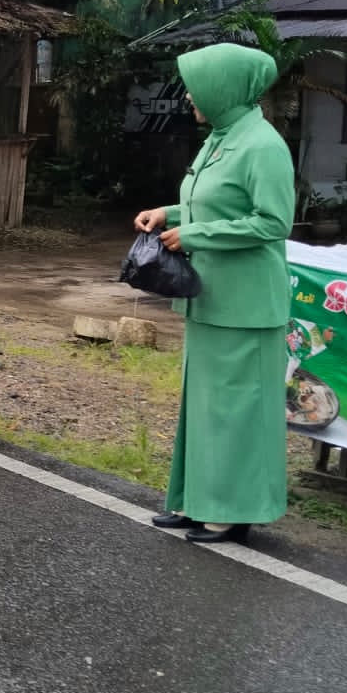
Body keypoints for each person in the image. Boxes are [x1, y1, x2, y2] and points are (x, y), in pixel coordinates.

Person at [134, 42, 295, 544]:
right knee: (205, 405)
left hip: (247, 303)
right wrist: (170, 213)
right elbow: (212, 204)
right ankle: (199, 499)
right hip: (211, 296)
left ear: (224, 88)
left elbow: (273, 222)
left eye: (198, 86)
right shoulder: (222, 137)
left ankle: (232, 509)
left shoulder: (262, 145)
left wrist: (196, 235)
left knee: (236, 408)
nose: (188, 96)